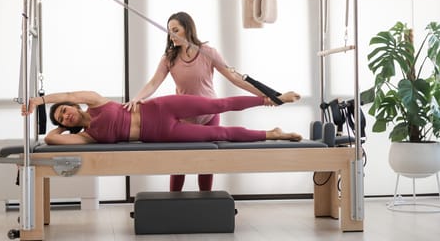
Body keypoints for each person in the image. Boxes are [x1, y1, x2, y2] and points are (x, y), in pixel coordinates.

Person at [123, 11, 300, 191]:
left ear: (187, 29)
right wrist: (137, 98)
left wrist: (269, 97)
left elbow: (235, 78)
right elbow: (154, 82)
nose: (171, 35)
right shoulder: (169, 58)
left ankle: (205, 201)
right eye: (169, 31)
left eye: (175, 30)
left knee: (206, 164)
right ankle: (174, 204)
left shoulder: (208, 53)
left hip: (209, 115)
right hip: (184, 118)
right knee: (178, 164)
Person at [21, 91, 302, 145]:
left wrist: (42, 101)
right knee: (220, 134)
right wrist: (52, 126)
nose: (66, 115)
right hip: (160, 133)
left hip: (160, 108)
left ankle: (271, 99)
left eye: (64, 109)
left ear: (72, 104)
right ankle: (273, 134)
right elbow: (50, 139)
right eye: (61, 118)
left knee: (218, 104)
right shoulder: (85, 137)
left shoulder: (94, 101)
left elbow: (70, 91)